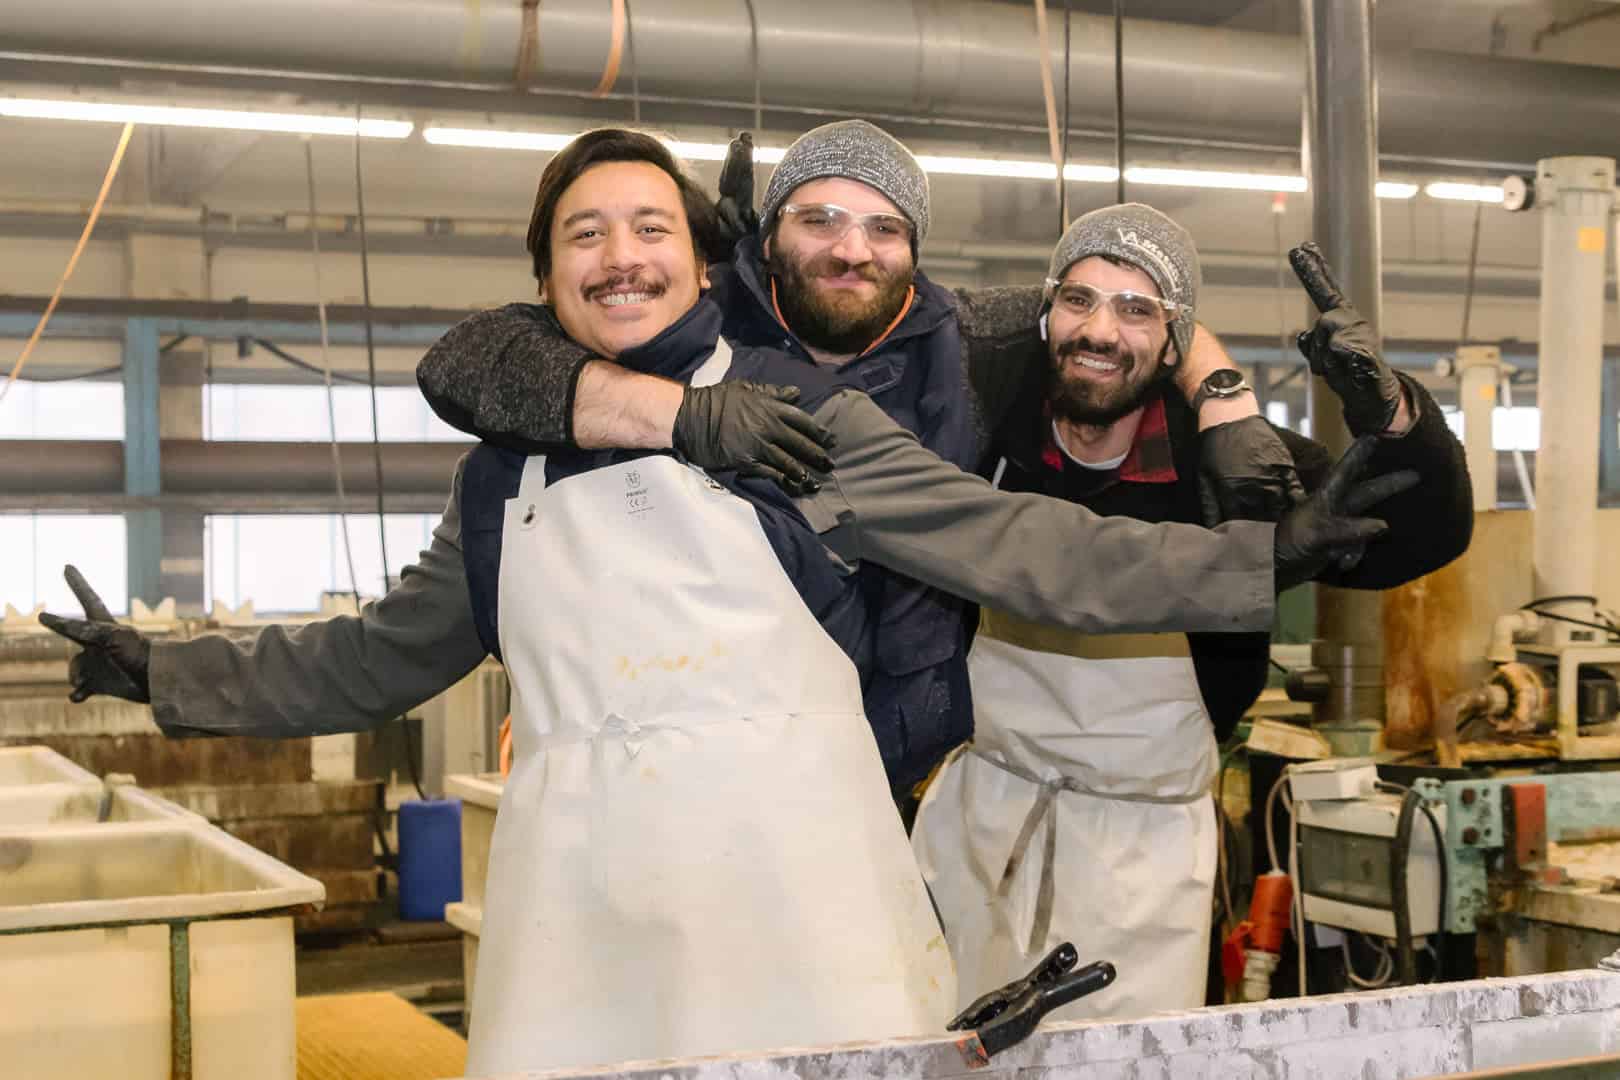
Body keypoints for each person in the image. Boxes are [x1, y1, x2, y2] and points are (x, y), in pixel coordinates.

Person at [40, 131, 1400, 1073]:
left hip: (801, 909)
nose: (619, 256)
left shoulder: (806, 424)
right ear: (546, 276)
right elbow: (374, 659)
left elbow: (1032, 547)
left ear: (705, 266)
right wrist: (172, 674)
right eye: (583, 234)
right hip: (580, 924)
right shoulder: (505, 478)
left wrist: (1265, 555)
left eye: (651, 229)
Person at [415, 119, 1271, 805]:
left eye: (884, 227)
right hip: (686, 756)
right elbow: (470, 358)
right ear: (768, 236)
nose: (852, 249)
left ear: (914, 251)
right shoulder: (701, 317)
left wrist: (1225, 400)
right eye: (818, 218)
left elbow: (1131, 307)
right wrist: (682, 410)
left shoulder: (970, 340)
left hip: (896, 761)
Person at [909, 203, 1473, 1024]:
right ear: (1047, 314)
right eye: (1079, 300)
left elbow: (1422, 539)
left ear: (1174, 343)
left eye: (1137, 310)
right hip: (982, 824)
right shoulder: (982, 430)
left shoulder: (1230, 469)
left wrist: (1394, 417)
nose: (1100, 331)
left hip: (1145, 857)